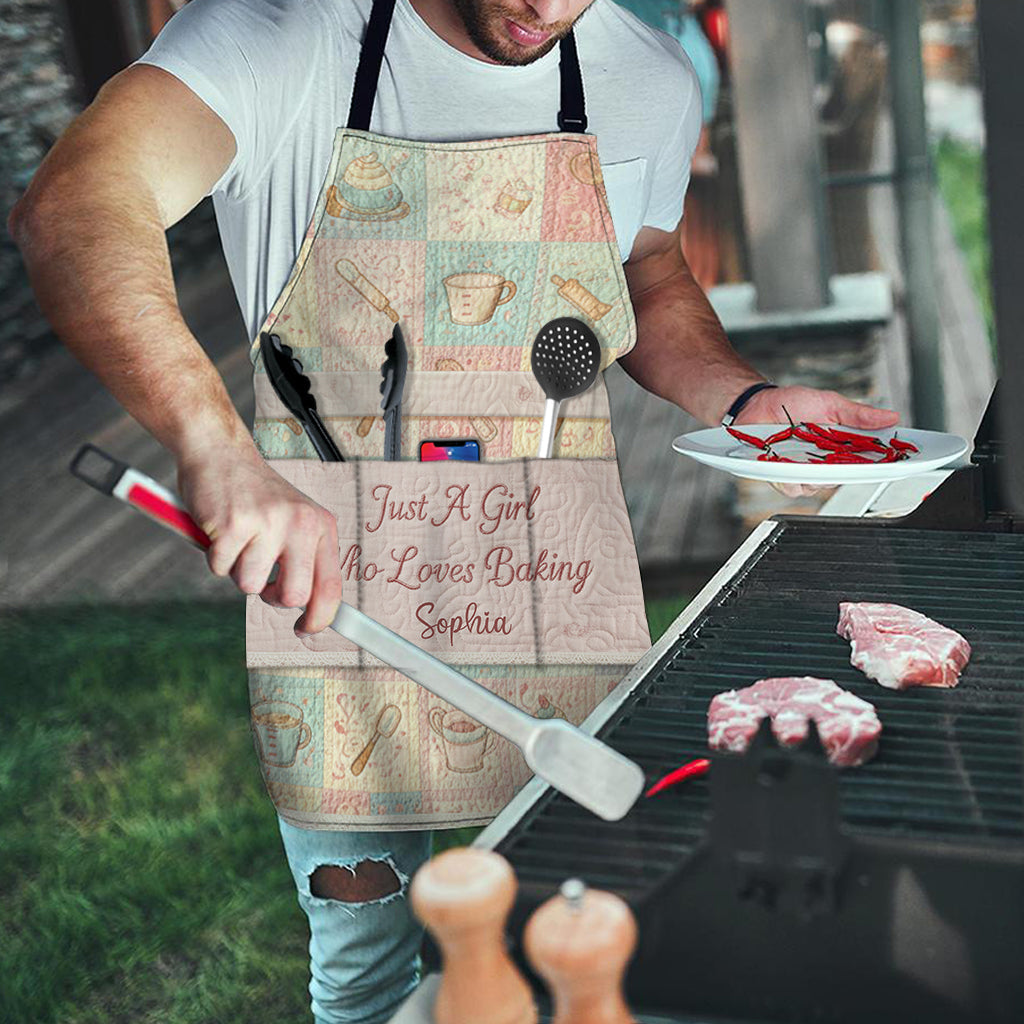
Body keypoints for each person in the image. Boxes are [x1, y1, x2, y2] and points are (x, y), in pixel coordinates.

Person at [8, 0, 898, 1020]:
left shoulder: (646, 77)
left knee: (599, 935)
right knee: (367, 968)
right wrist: (216, 447)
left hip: (554, 585)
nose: (547, 9)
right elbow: (77, 204)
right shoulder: (281, 35)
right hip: (342, 613)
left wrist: (744, 399)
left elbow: (645, 274)